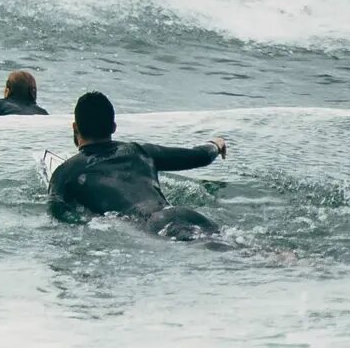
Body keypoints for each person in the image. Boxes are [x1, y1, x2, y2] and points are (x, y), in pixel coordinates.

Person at [45, 90, 229, 240]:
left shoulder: (66, 173)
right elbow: (198, 156)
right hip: (184, 214)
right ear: (113, 127)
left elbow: (58, 218)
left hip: (148, 228)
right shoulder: (140, 151)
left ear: (75, 128)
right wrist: (215, 144)